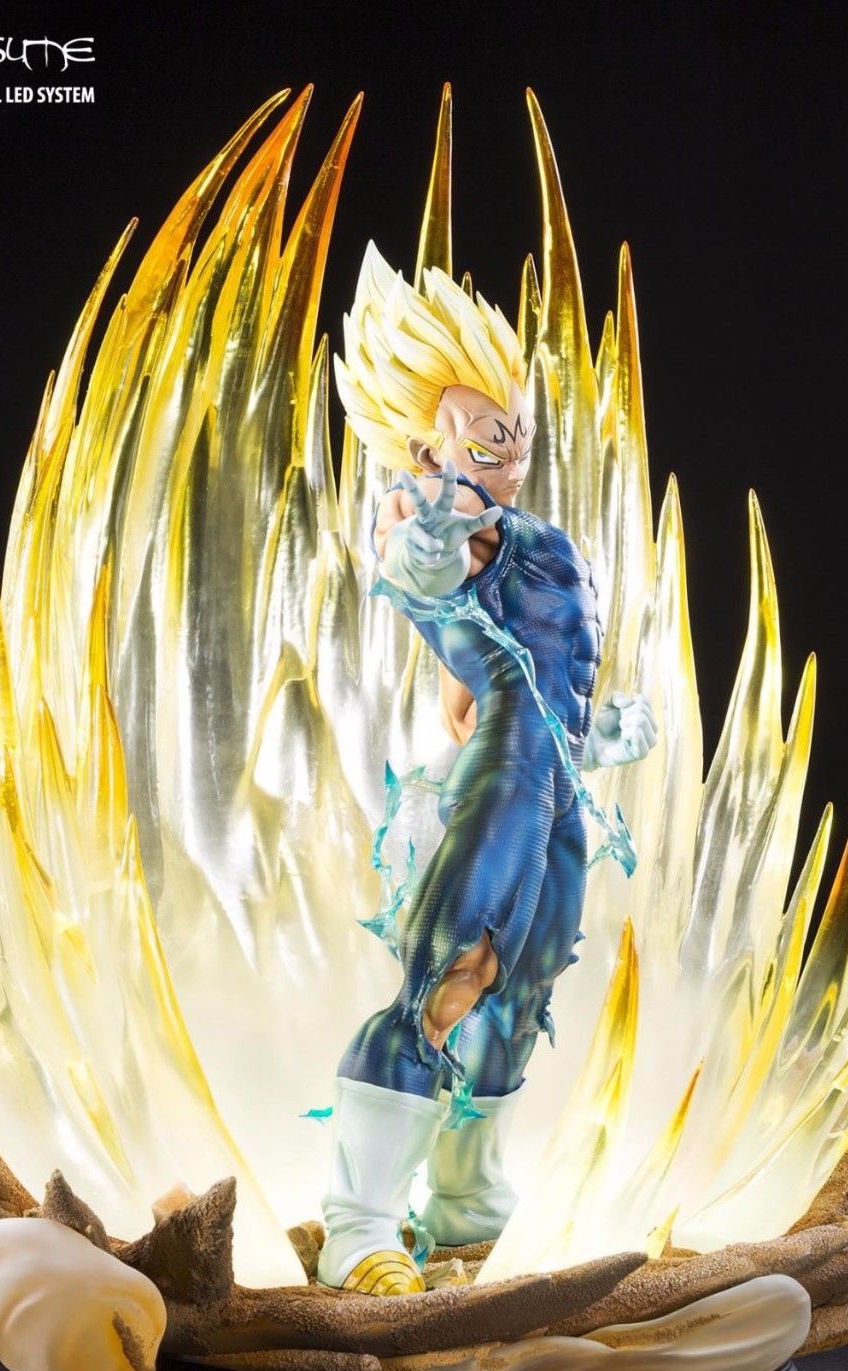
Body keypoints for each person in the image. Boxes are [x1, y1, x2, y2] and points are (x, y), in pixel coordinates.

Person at [319, 244, 658, 1294]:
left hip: (553, 784)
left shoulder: (549, 546)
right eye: (483, 436)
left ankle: (464, 1199)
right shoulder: (426, 520)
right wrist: (434, 522)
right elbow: (421, 574)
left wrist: (603, 736)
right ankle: (359, 1223)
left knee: (523, 987)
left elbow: (530, 688)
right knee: (450, 972)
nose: (509, 455)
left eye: (517, 431)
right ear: (429, 444)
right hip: (498, 782)